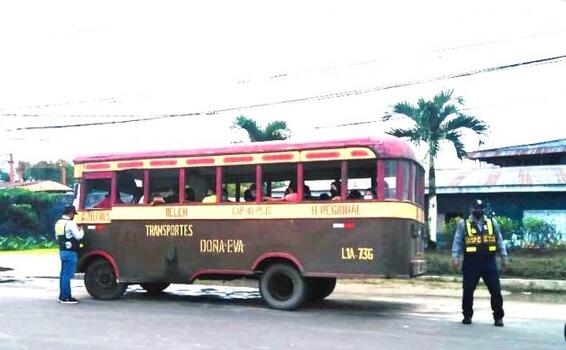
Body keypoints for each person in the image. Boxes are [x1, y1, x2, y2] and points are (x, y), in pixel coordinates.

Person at [451, 199, 508, 327]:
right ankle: (467, 315)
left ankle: (498, 317)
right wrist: (455, 258)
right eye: (476, 208)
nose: (479, 210)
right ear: (472, 209)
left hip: (489, 262)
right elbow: (457, 242)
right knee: (468, 291)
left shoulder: (492, 222)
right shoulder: (463, 224)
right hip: (471, 262)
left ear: (484, 209)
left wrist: (504, 257)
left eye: (481, 208)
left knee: (496, 291)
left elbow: (499, 240)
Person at [54, 205, 84, 304]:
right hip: (71, 252)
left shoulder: (58, 223)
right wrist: (81, 229)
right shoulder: (70, 223)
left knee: (63, 275)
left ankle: (62, 295)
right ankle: (66, 297)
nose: (73, 216)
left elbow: (57, 238)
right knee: (67, 275)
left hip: (62, 251)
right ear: (71, 213)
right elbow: (78, 236)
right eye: (73, 214)